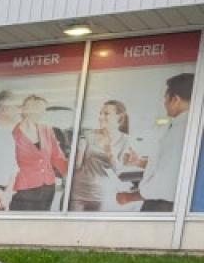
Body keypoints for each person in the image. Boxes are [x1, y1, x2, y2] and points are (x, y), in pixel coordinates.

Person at [116, 72, 194, 212]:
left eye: (166, 98)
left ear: (175, 99)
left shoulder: (181, 131)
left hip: (161, 206)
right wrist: (140, 162)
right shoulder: (185, 126)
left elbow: (164, 182)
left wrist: (129, 197)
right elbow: (172, 165)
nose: (164, 103)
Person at [70, 99, 137, 211]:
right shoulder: (88, 135)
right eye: (100, 113)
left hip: (103, 195)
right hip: (78, 193)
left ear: (119, 117)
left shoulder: (126, 140)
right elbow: (77, 165)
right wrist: (78, 150)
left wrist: (109, 151)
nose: (101, 117)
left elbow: (118, 170)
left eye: (106, 114)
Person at [10, 95, 69, 210]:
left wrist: (68, 175)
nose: (39, 112)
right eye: (35, 107)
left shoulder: (46, 129)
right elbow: (9, 164)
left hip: (47, 186)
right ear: (23, 109)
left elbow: (57, 157)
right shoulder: (13, 133)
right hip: (23, 188)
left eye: (42, 109)